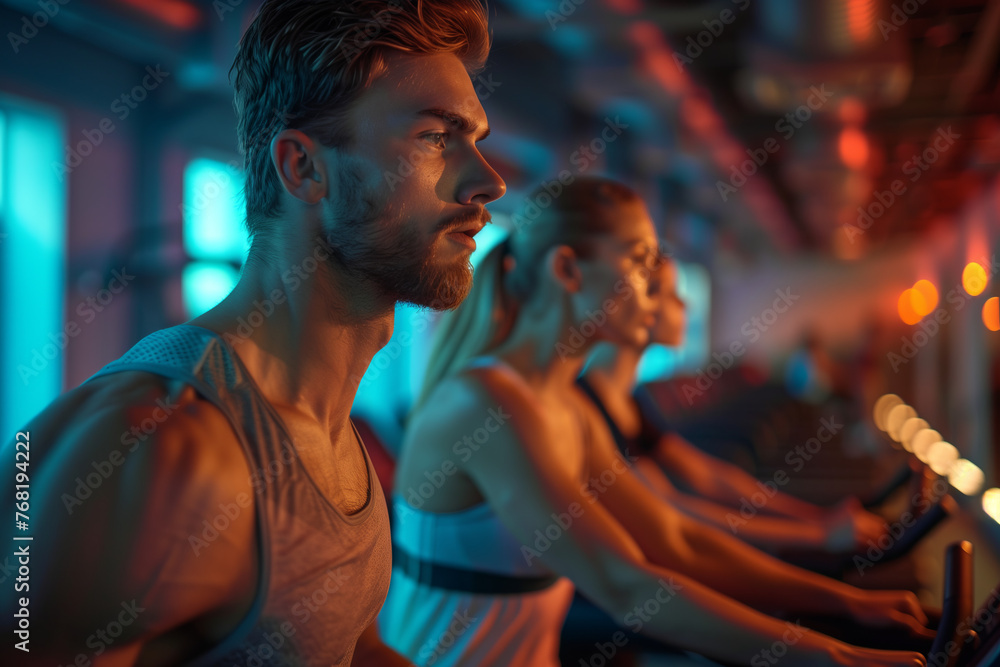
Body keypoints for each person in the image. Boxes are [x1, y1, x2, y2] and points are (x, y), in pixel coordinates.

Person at [0, 1, 504, 665]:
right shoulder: (158, 449)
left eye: (476, 139)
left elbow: (345, 648)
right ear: (303, 168)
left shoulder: (333, 430)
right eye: (436, 138)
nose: (488, 181)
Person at [380, 176, 930, 667]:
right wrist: (834, 655)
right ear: (567, 270)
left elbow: (676, 539)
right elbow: (628, 587)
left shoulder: (568, 409)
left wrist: (847, 605)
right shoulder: (488, 405)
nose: (658, 287)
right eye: (641, 263)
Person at [578, 260, 889, 556]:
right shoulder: (590, 405)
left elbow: (709, 476)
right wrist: (820, 536)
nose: (686, 306)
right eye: (672, 295)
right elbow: (672, 508)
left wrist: (820, 518)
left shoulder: (629, 400)